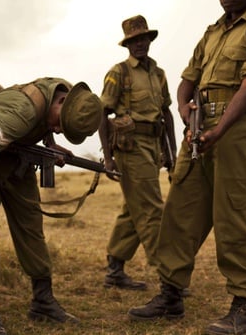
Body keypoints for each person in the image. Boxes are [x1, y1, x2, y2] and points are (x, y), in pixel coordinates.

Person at [127, 0, 246, 335]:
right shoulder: (213, 32)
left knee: (238, 216)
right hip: (199, 129)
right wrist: (185, 110)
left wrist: (220, 128)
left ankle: (243, 309)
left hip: (240, 131)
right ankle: (170, 294)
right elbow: (189, 77)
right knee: (180, 210)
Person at [0, 77, 103, 335]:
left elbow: (45, 123)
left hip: (19, 157)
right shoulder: (20, 114)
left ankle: (43, 301)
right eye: (60, 125)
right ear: (61, 102)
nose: (59, 130)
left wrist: (50, 144)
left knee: (31, 227)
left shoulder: (66, 94)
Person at [97, 15, 176, 291]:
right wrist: (108, 158)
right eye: (133, 40)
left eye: (143, 38)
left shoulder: (159, 74)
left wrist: (171, 154)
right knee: (153, 210)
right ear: (127, 44)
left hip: (153, 148)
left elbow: (166, 114)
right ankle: (169, 276)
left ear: (149, 40)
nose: (139, 44)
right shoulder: (118, 73)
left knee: (133, 209)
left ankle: (115, 269)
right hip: (130, 150)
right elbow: (101, 114)